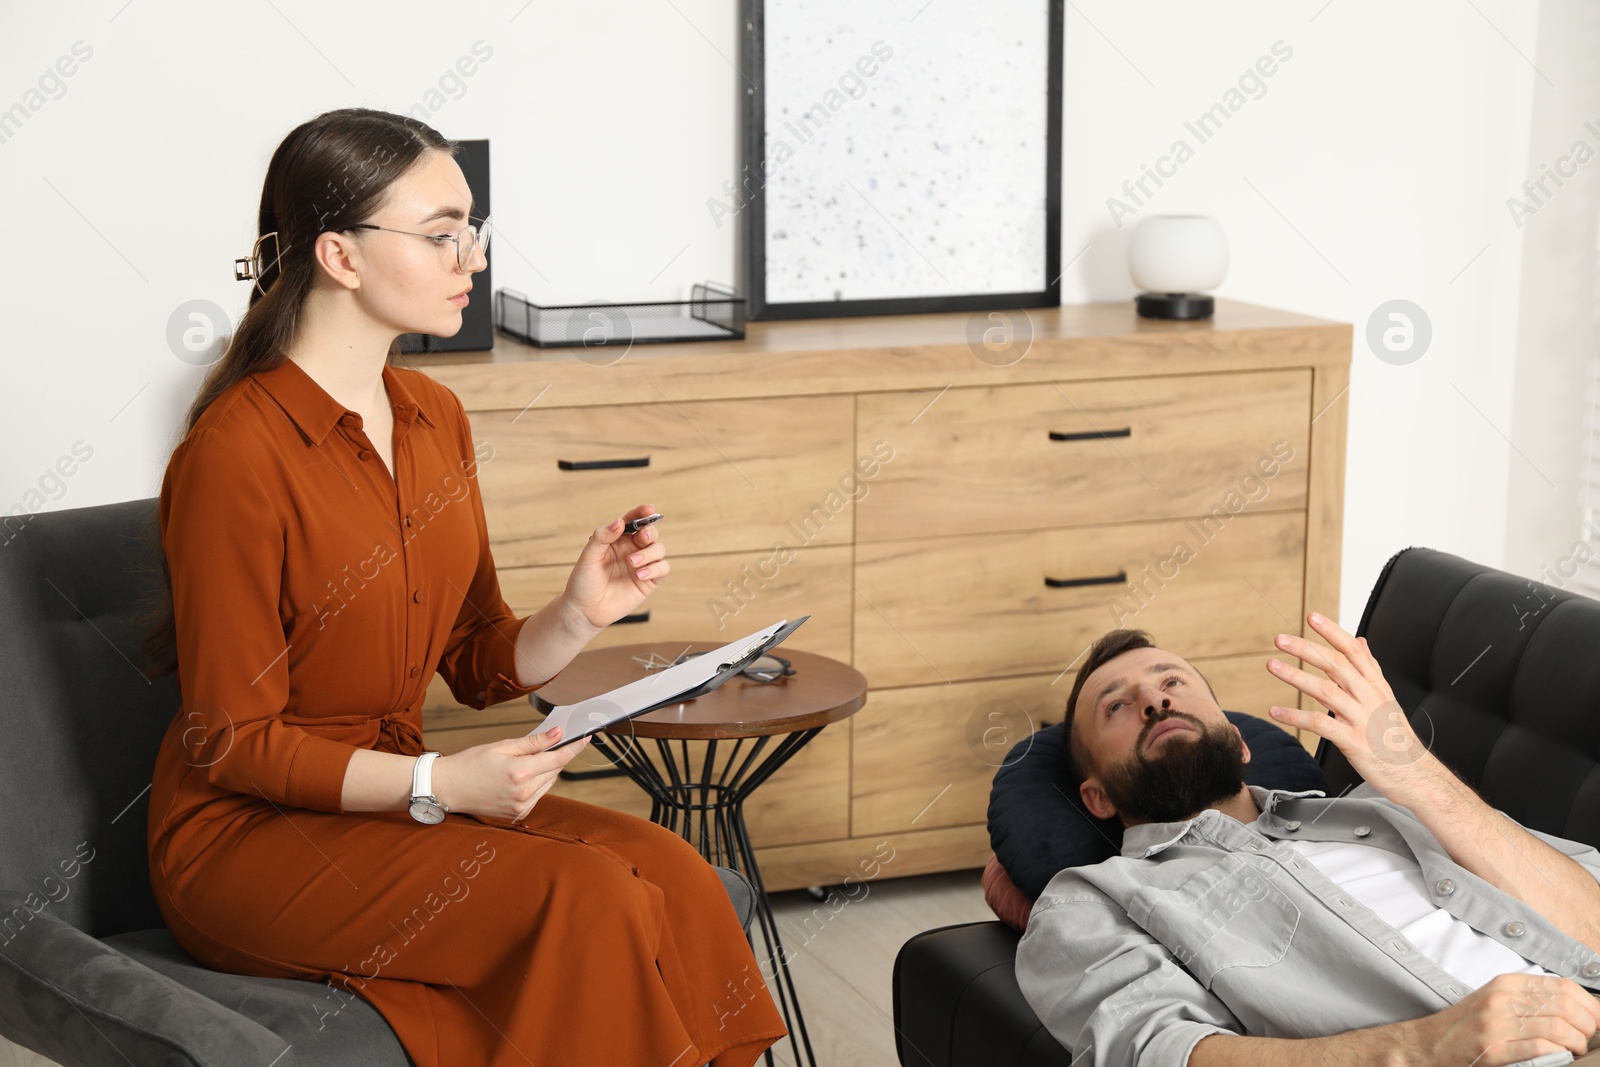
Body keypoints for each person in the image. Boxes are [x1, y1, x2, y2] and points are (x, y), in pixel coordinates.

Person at [140, 107, 786, 1067]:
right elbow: (232, 743)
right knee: (588, 896)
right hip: (247, 839)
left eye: (472, 232)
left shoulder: (435, 419)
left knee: (677, 873)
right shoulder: (235, 453)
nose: (472, 259)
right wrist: (441, 783)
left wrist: (578, 613)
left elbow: (477, 660)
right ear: (341, 257)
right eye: (442, 235)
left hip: (394, 800)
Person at [1015, 613, 1600, 1067]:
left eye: (1173, 681)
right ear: (1097, 799)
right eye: (1116, 705)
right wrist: (1422, 1049)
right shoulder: (1093, 902)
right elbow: (1159, 1052)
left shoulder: (1389, 806)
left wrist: (1416, 773)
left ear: (1241, 745)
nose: (1155, 700)